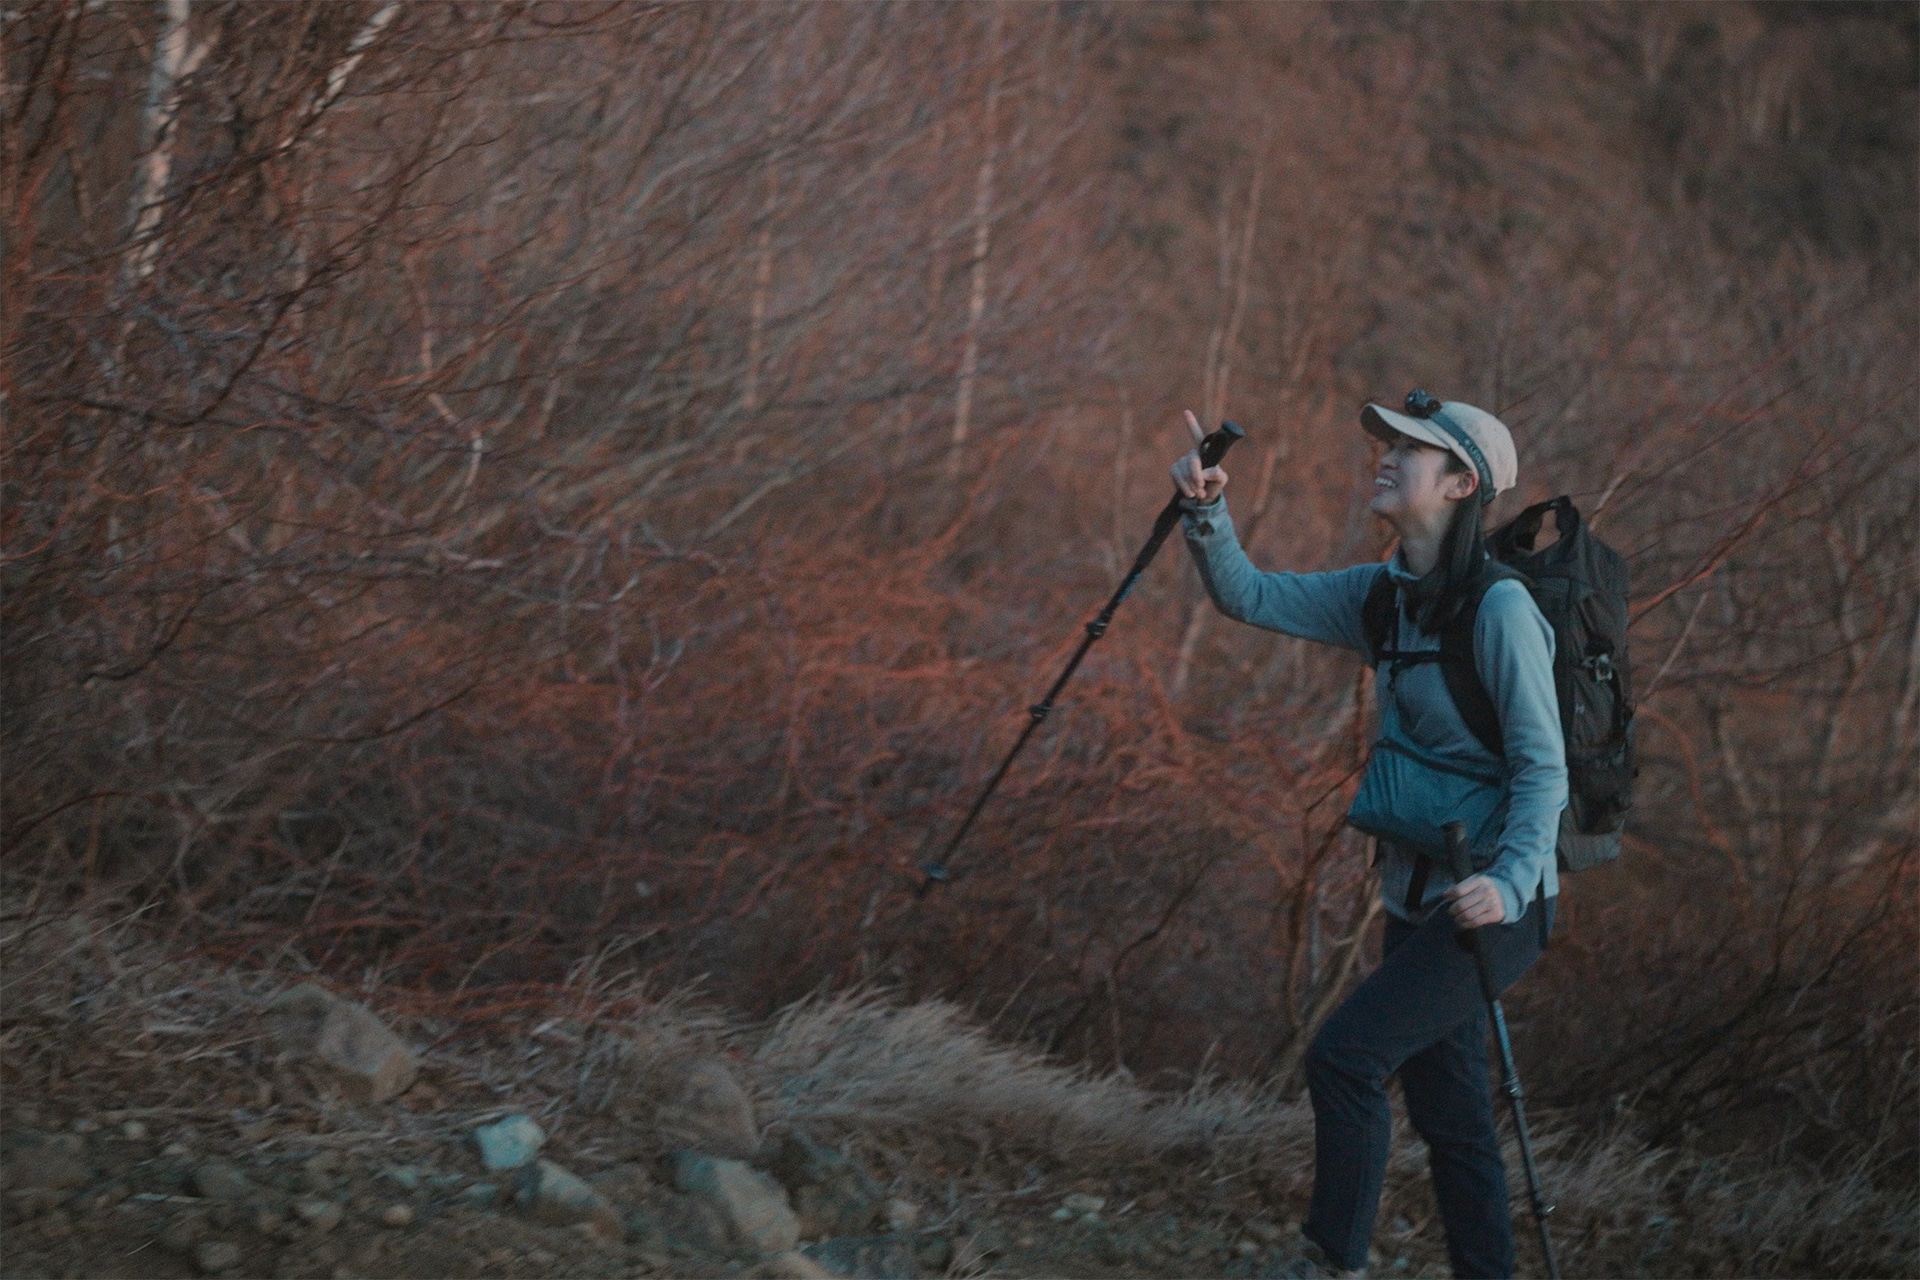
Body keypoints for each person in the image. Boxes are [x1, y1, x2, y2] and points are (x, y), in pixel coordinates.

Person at [1170, 394, 1566, 1280]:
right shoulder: (1382, 597)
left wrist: (1507, 884)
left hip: (1497, 903)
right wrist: (1206, 510)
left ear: (1462, 484)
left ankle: (1332, 1261)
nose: (1386, 456)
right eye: (1387, 444)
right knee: (1452, 1117)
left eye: (1411, 450)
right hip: (1418, 899)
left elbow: (1546, 767)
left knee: (1344, 1059)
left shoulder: (1498, 612)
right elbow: (1251, 595)